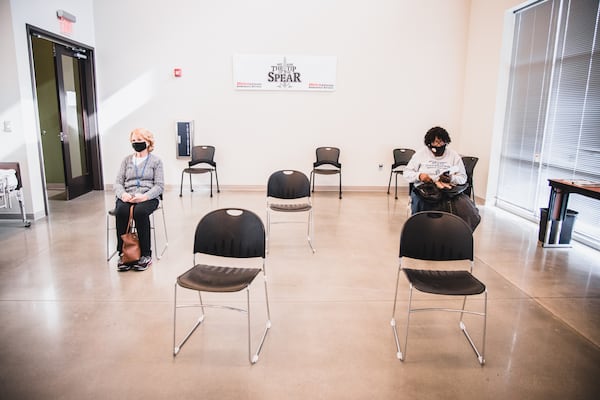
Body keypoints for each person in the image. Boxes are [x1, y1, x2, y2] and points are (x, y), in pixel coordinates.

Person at [404, 126, 480, 230]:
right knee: (424, 212)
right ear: (429, 143)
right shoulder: (420, 154)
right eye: (436, 142)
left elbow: (463, 178)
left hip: (448, 190)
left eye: (441, 142)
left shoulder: (453, 156)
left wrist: (451, 178)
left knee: (468, 210)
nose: (439, 145)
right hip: (426, 190)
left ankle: (458, 234)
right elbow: (407, 173)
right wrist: (420, 176)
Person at [113, 128, 164, 271]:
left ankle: (145, 255)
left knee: (140, 212)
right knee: (121, 211)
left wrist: (145, 196)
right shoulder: (126, 160)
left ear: (148, 143)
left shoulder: (156, 161)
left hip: (148, 196)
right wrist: (123, 194)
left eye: (140, 141)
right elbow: (118, 183)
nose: (136, 143)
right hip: (127, 195)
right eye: (133, 141)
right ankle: (123, 252)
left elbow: (159, 186)